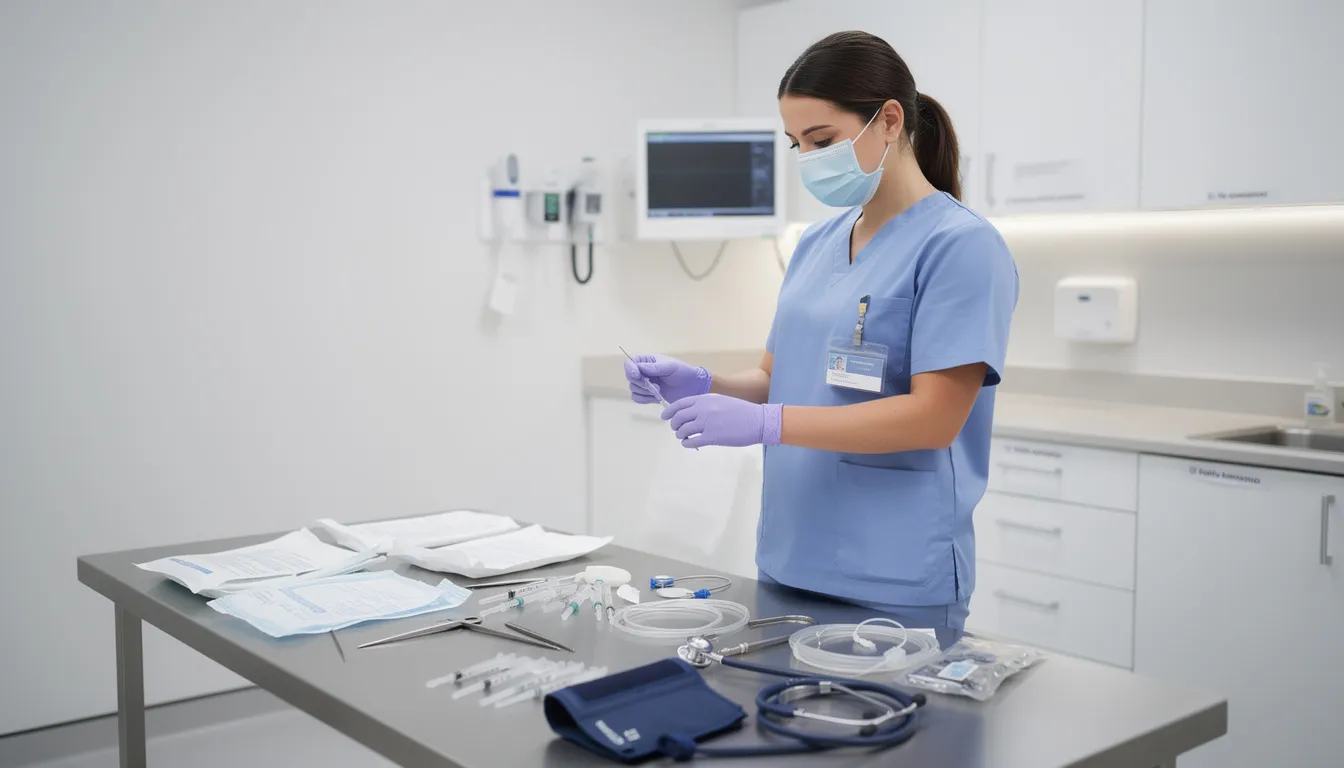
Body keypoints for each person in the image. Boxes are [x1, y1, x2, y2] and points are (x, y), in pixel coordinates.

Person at [624, 31, 1017, 629]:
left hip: (893, 572)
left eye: (822, 140)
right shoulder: (815, 243)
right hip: (790, 555)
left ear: (889, 121)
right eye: (796, 144)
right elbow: (778, 378)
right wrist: (704, 383)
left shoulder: (961, 246)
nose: (807, 158)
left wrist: (767, 424)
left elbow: (934, 418)